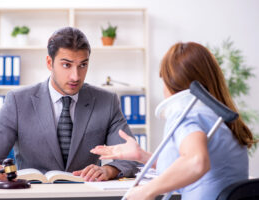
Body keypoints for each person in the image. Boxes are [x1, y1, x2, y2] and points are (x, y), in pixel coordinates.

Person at [0, 27, 138, 183]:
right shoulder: (17, 101)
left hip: (85, 194)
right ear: (49, 63)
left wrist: (109, 169)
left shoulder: (106, 101)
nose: (75, 76)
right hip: (33, 195)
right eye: (66, 65)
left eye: (83, 65)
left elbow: (131, 157)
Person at [91, 42, 255, 200]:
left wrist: (147, 191)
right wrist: (141, 155)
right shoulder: (218, 118)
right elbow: (183, 165)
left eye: (163, 79)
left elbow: (196, 161)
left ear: (172, 81)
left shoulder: (187, 113)